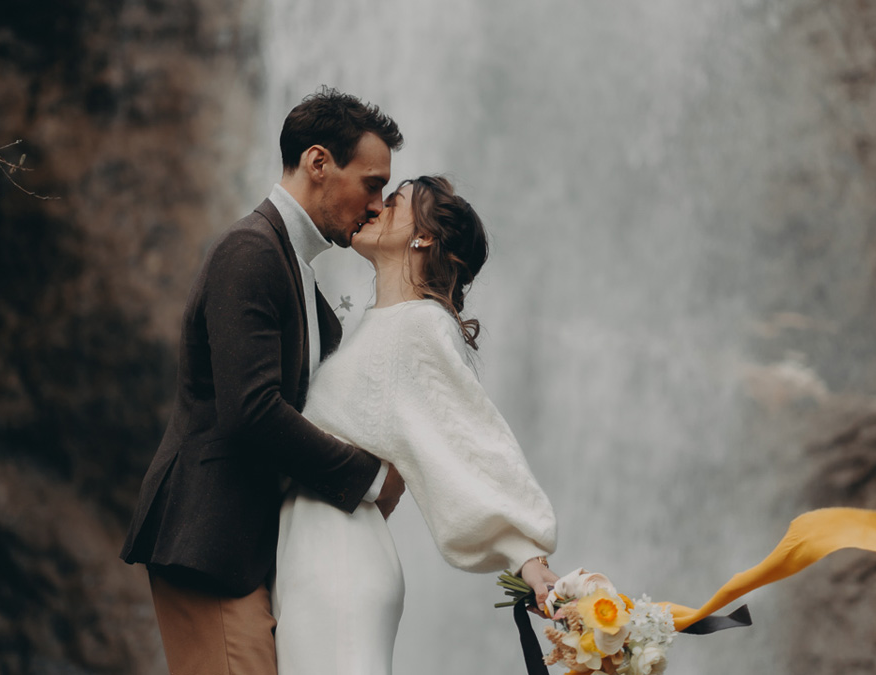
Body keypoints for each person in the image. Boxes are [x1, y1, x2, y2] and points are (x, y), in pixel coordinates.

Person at [119, 88, 408, 675]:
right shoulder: (249, 253)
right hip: (211, 545)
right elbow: (251, 411)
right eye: (373, 183)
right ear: (318, 163)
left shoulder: (294, 266)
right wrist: (372, 478)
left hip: (248, 549)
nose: (377, 206)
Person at [272, 176, 559, 675]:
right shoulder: (380, 326)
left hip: (338, 563)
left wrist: (530, 559)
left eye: (394, 201)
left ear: (422, 237)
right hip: (313, 558)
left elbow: (470, 441)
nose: (374, 207)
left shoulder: (419, 327)